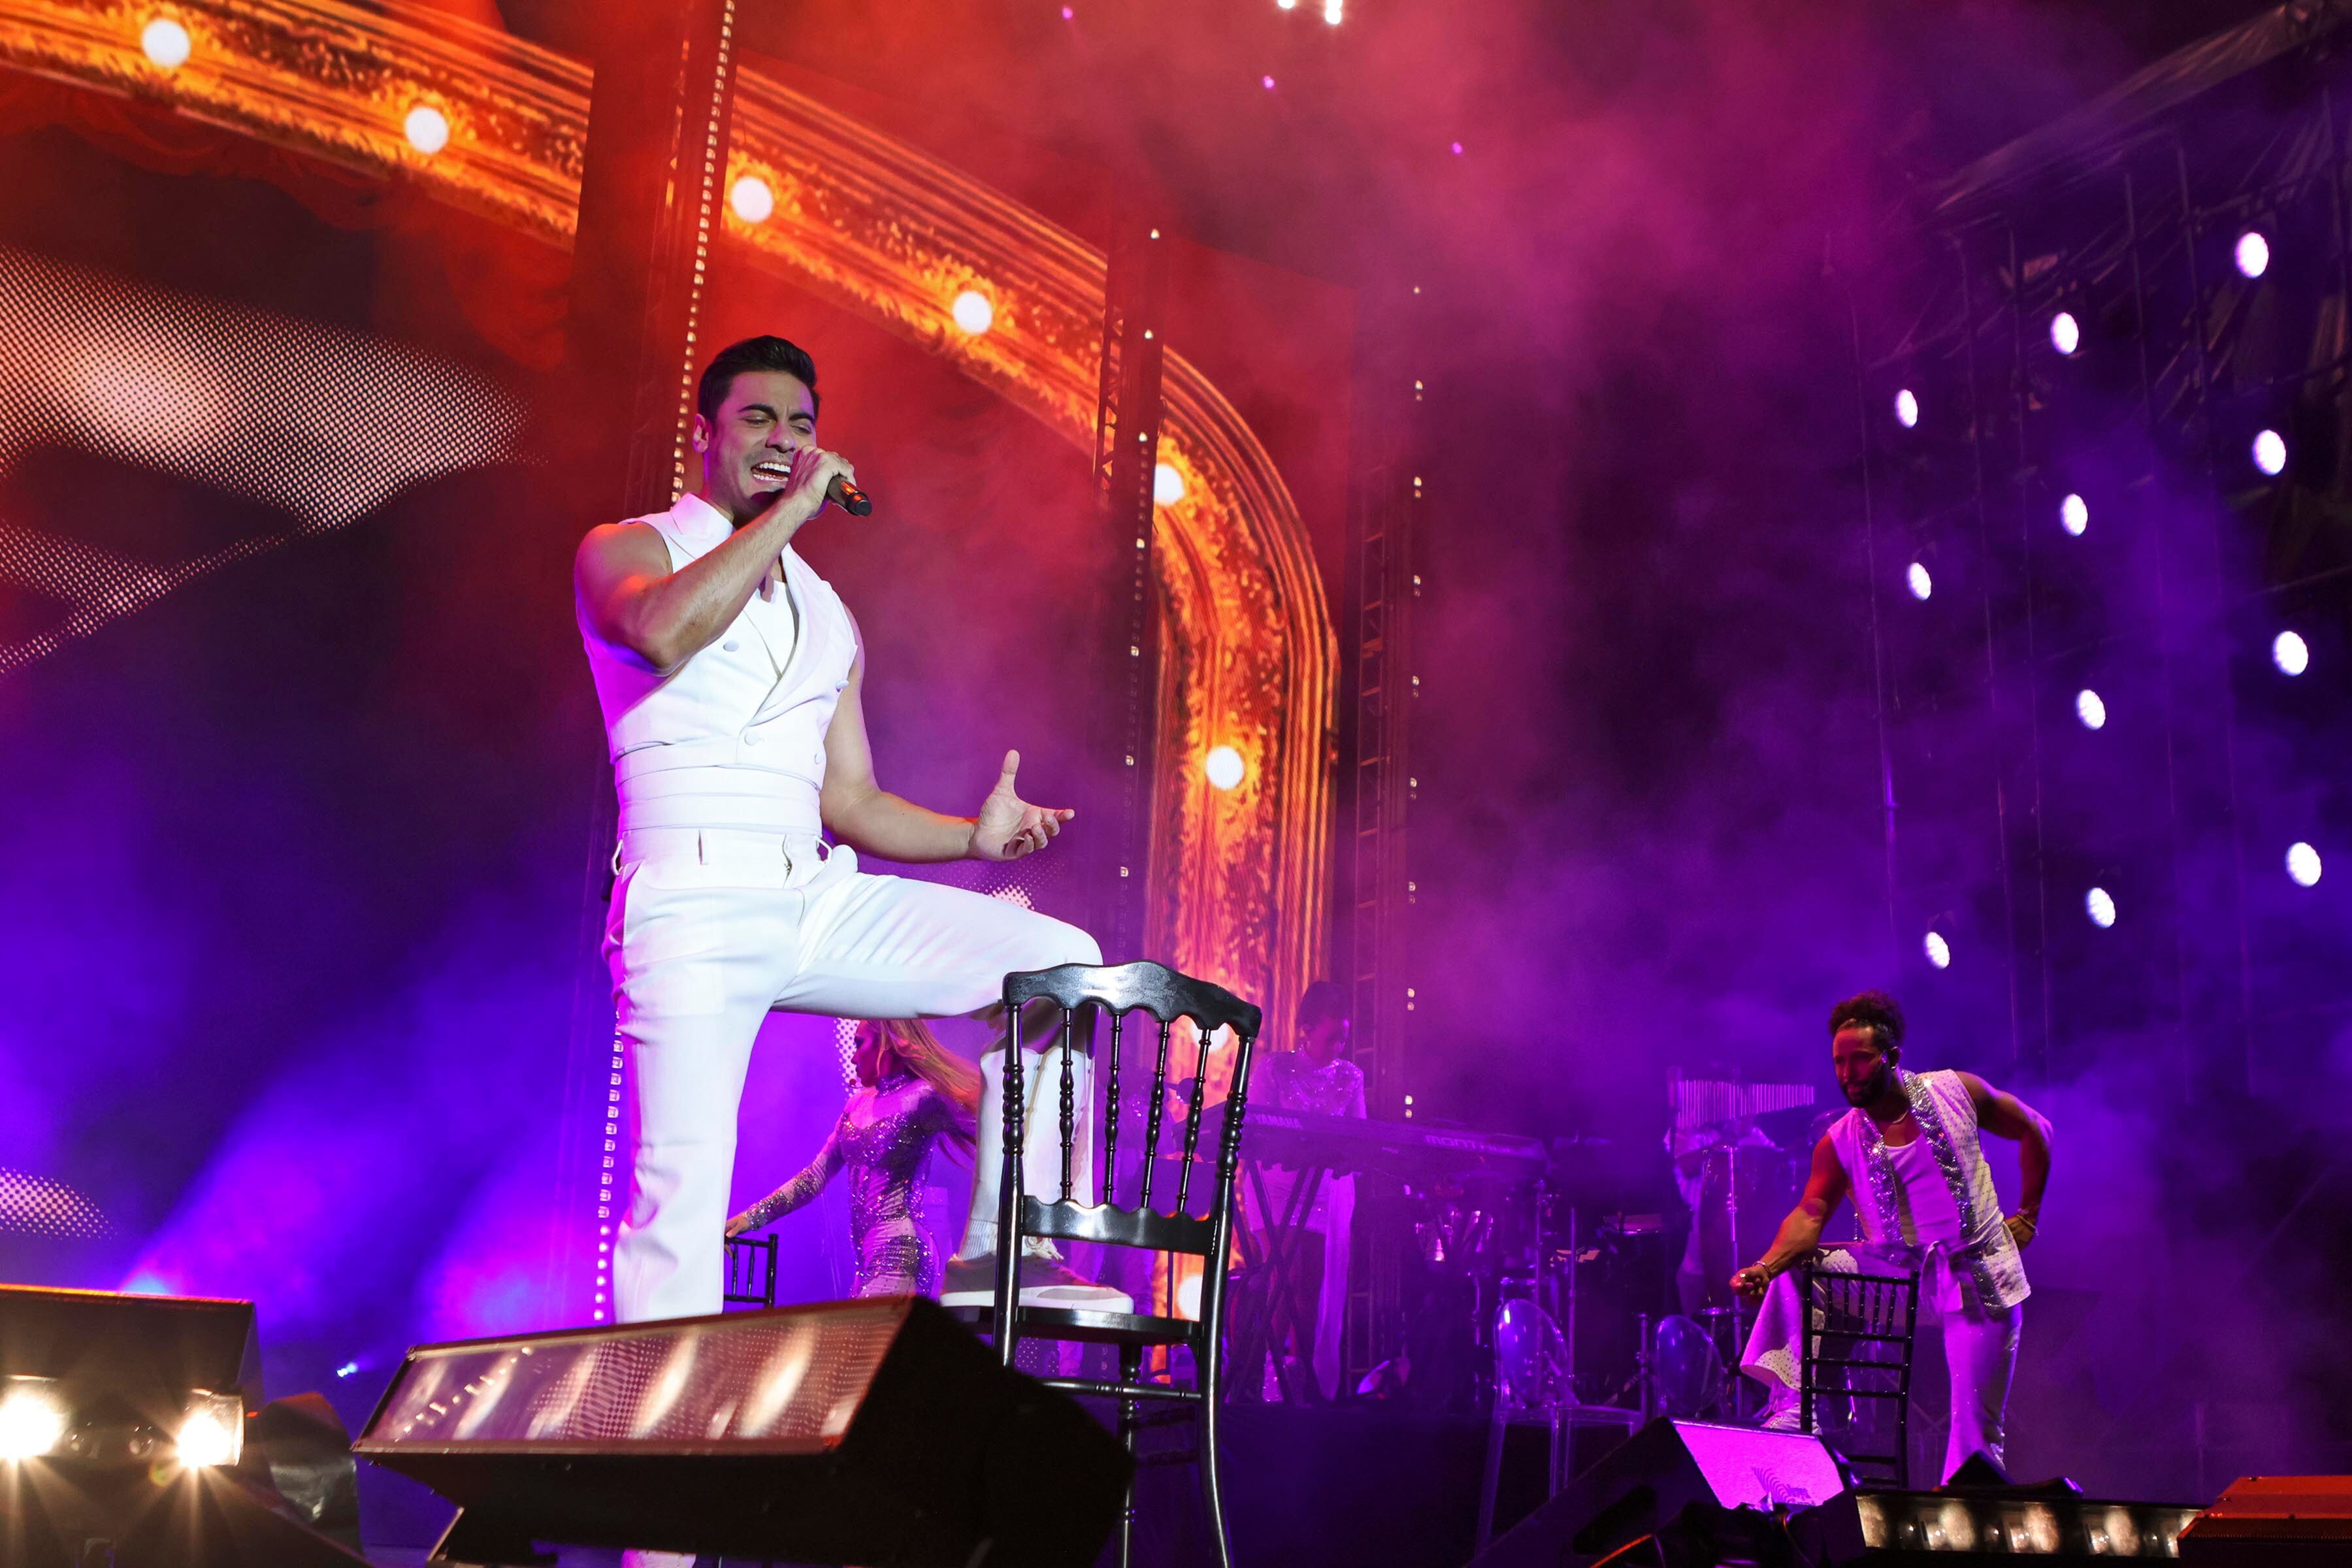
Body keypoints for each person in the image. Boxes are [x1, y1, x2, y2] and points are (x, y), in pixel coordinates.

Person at [575, 333, 1127, 1327]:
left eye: (802, 425)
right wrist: (792, 512)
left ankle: (1012, 1250)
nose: (784, 440)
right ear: (704, 435)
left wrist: (973, 837)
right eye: (758, 419)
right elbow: (659, 631)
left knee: (1062, 965)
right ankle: (661, 1449)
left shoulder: (830, 613)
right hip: (690, 898)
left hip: (814, 895)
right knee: (681, 1198)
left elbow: (855, 801)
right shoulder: (632, 546)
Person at [1731, 990, 2053, 1480]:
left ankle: (1966, 1513)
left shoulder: (1957, 1091)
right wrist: (1765, 1266)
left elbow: (2037, 1130)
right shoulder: (1839, 1139)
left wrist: (2027, 1214)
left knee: (1975, 1443)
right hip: (1896, 1283)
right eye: (1839, 1062)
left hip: (1976, 1279)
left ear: (1892, 1055)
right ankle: (1798, 1409)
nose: (1846, 1073)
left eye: (1859, 1060)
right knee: (1799, 1274)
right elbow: (1810, 1213)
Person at [727, 1019, 977, 1298]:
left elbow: (984, 1120)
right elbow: (815, 1177)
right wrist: (750, 1218)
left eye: (860, 1045)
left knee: (860, 1341)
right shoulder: (857, 1105)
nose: (854, 1057)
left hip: (902, 1254)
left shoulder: (923, 1098)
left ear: (889, 1043)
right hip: (867, 1260)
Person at [1246, 979, 1363, 1399]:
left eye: (1344, 1040)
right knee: (1286, 1278)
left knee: (1312, 1288)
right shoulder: (1274, 1069)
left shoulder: (1350, 1077)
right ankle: (1270, 1383)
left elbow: (1358, 1141)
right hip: (1274, 1191)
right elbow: (1253, 1130)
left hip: (1323, 1195)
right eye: (1332, 1039)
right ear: (1306, 1029)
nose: (1339, 1049)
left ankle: (1299, 1383)